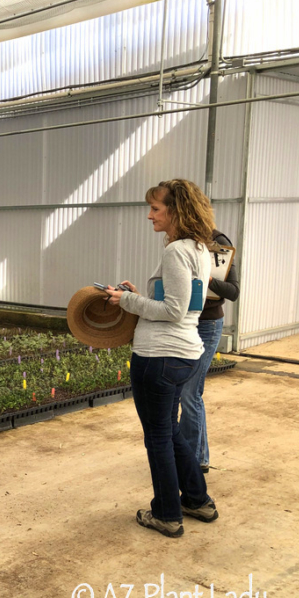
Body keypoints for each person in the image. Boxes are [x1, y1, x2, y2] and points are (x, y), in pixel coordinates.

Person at [104, 179, 219, 538]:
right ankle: (197, 500)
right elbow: (186, 303)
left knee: (157, 437)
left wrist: (124, 301)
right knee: (169, 432)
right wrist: (140, 295)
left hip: (159, 356)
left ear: (176, 210)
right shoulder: (199, 248)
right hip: (182, 354)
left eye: (156, 208)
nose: (149, 215)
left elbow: (173, 309)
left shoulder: (176, 251)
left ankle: (167, 514)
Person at [179, 229, 239, 473]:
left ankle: (192, 460)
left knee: (189, 392)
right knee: (189, 392)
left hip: (207, 324)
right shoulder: (179, 242)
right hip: (184, 322)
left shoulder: (218, 242)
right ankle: (196, 457)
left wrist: (208, 278)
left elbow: (233, 291)